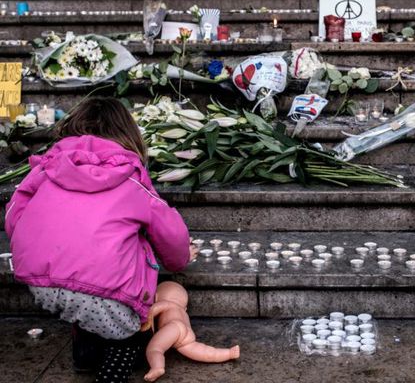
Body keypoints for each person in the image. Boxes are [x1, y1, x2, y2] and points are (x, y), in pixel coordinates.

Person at [5, 97, 198, 383]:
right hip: (103, 287)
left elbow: (13, 216)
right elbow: (171, 232)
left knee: (85, 297)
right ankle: (112, 373)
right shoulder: (129, 177)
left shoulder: (45, 169)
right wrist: (179, 260)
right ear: (128, 135)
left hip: (41, 281)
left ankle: (84, 354)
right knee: (128, 331)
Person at [142, 281, 240, 382]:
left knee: (154, 348)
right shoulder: (183, 312)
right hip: (187, 332)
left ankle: (157, 367)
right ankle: (229, 353)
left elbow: (152, 311)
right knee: (203, 351)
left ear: (157, 298)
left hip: (173, 326)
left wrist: (150, 330)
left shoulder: (165, 304)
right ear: (185, 307)